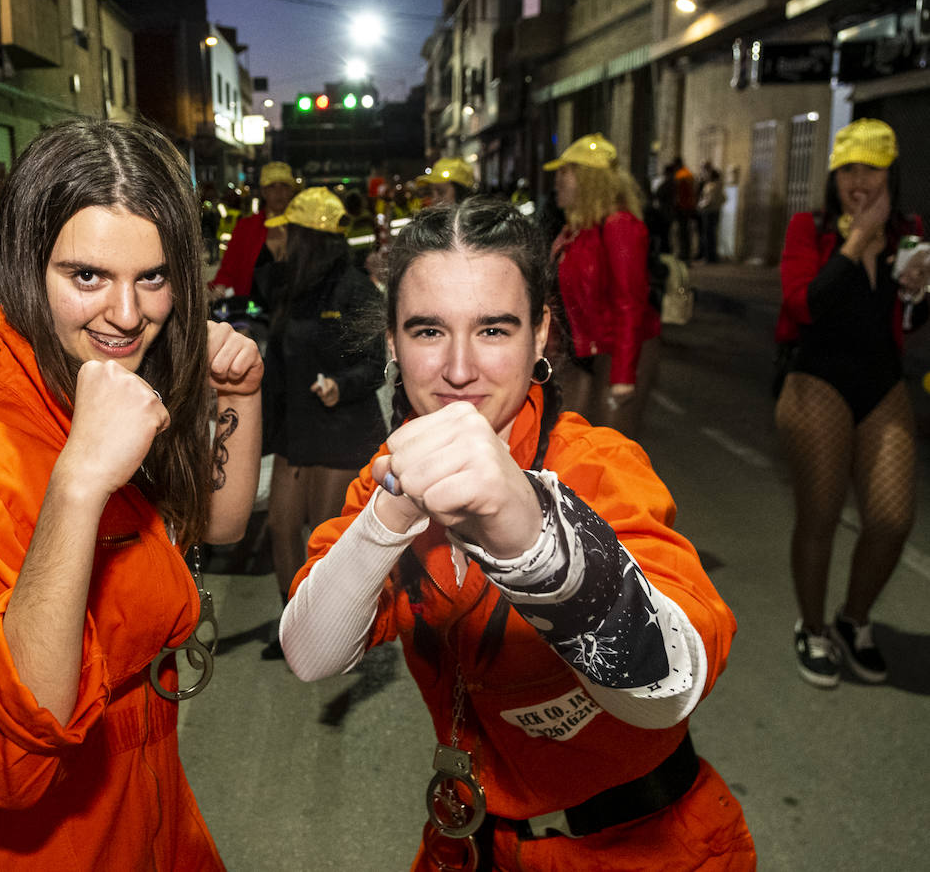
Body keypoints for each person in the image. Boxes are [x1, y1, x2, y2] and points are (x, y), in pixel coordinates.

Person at [279, 196, 755, 870]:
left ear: (540, 337)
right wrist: (391, 516)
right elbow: (310, 652)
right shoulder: (384, 482)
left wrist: (535, 540)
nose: (460, 368)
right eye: (427, 330)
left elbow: (674, 685)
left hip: (639, 848)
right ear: (392, 341)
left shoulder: (595, 465)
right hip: (472, 844)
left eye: (495, 330)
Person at [0, 120, 265, 869]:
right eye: (87, 276)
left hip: (136, 797)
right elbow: (5, 766)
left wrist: (237, 394)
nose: (128, 314)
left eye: (154, 276)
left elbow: (219, 524)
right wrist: (76, 485)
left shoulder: (103, 375)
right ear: (25, 266)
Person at [774, 118, 928, 689]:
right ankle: (811, 627)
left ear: (892, 175)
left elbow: (906, 324)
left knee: (891, 519)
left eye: (871, 170)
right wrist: (857, 240)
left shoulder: (909, 231)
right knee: (820, 514)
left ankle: (852, 619)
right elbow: (803, 305)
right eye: (848, 170)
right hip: (818, 378)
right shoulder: (808, 230)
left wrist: (919, 293)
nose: (858, 182)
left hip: (882, 382)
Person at [258, 186, 387, 658]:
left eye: (290, 232)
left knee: (324, 536)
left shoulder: (355, 290)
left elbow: (376, 364)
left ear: (310, 237)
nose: (283, 239)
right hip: (297, 430)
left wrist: (340, 383)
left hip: (342, 432)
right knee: (280, 525)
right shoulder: (290, 283)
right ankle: (294, 622)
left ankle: (329, 631)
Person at [545, 133, 660, 439]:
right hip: (582, 350)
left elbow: (629, 303)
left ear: (587, 179)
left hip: (616, 350)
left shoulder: (619, 226)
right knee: (570, 439)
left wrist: (623, 374)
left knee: (609, 446)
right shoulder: (575, 231)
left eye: (564, 173)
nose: (557, 182)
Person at [209, 160, 297, 305]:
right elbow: (228, 269)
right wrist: (218, 289)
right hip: (253, 312)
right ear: (263, 191)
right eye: (272, 186)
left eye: (284, 186)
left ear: (291, 191)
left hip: (294, 312)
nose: (278, 192)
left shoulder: (303, 227)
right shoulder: (246, 227)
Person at [697, 162, 724, 264]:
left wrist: (700, 205)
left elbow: (708, 199)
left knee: (708, 235)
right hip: (715, 211)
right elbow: (723, 198)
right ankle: (711, 257)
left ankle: (709, 258)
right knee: (711, 235)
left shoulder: (711, 186)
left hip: (708, 212)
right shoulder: (719, 185)